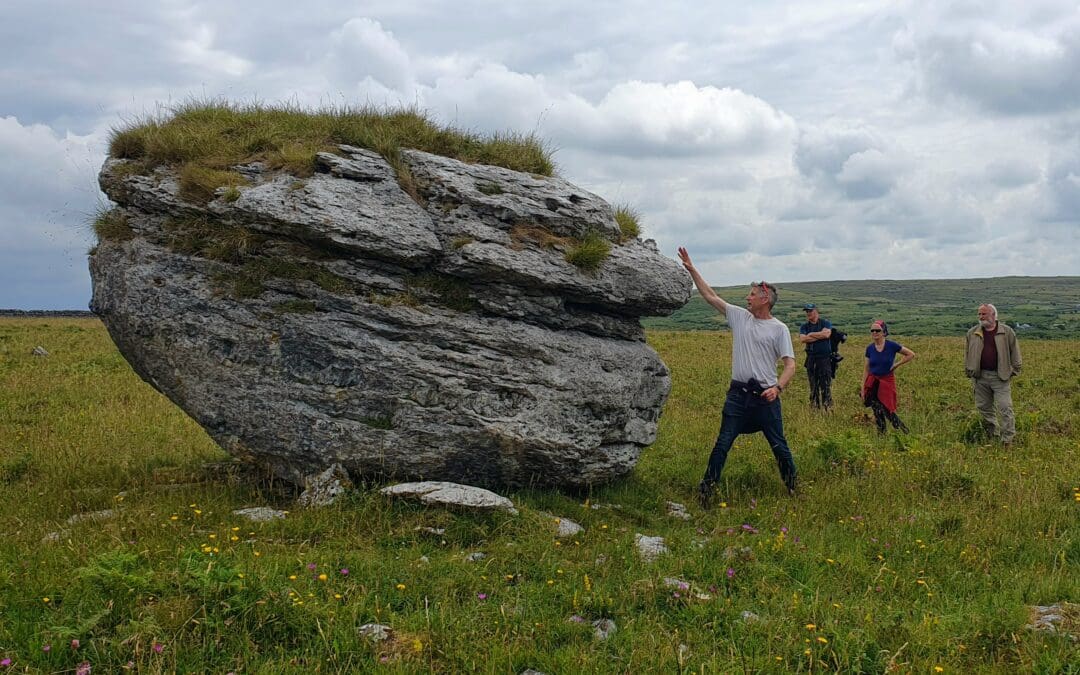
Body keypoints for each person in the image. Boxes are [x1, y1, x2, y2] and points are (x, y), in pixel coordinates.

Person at [676, 247, 798, 507]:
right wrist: (691, 268)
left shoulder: (779, 329)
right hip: (738, 396)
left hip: (766, 397)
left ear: (765, 298)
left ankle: (794, 488)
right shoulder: (740, 317)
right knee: (722, 444)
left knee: (779, 445)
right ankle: (706, 492)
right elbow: (710, 296)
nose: (747, 298)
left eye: (752, 294)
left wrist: (778, 388)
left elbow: (790, 365)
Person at [965, 303, 1021, 444]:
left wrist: (1014, 370)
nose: (981, 317)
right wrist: (969, 370)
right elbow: (968, 353)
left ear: (994, 315)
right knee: (984, 407)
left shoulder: (1007, 332)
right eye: (979, 314)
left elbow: (1015, 352)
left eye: (984, 314)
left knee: (1005, 407)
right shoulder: (972, 333)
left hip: (1000, 376)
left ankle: (1007, 440)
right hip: (980, 376)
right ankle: (992, 434)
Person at [861, 320, 915, 433]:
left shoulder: (891, 345)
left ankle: (904, 431)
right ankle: (881, 434)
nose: (874, 333)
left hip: (886, 381)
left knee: (888, 409)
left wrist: (896, 365)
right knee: (876, 409)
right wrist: (863, 388)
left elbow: (910, 354)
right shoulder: (869, 348)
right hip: (873, 382)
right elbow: (866, 369)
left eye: (877, 330)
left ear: (884, 332)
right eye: (872, 330)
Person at [798, 303, 833, 409]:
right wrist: (819, 335)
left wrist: (811, 334)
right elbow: (803, 339)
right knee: (813, 383)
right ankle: (815, 407)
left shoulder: (825, 323)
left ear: (816, 311)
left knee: (825, 383)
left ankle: (827, 406)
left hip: (824, 359)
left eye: (810, 311)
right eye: (807, 311)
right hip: (811, 359)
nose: (808, 313)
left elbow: (827, 334)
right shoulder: (804, 326)